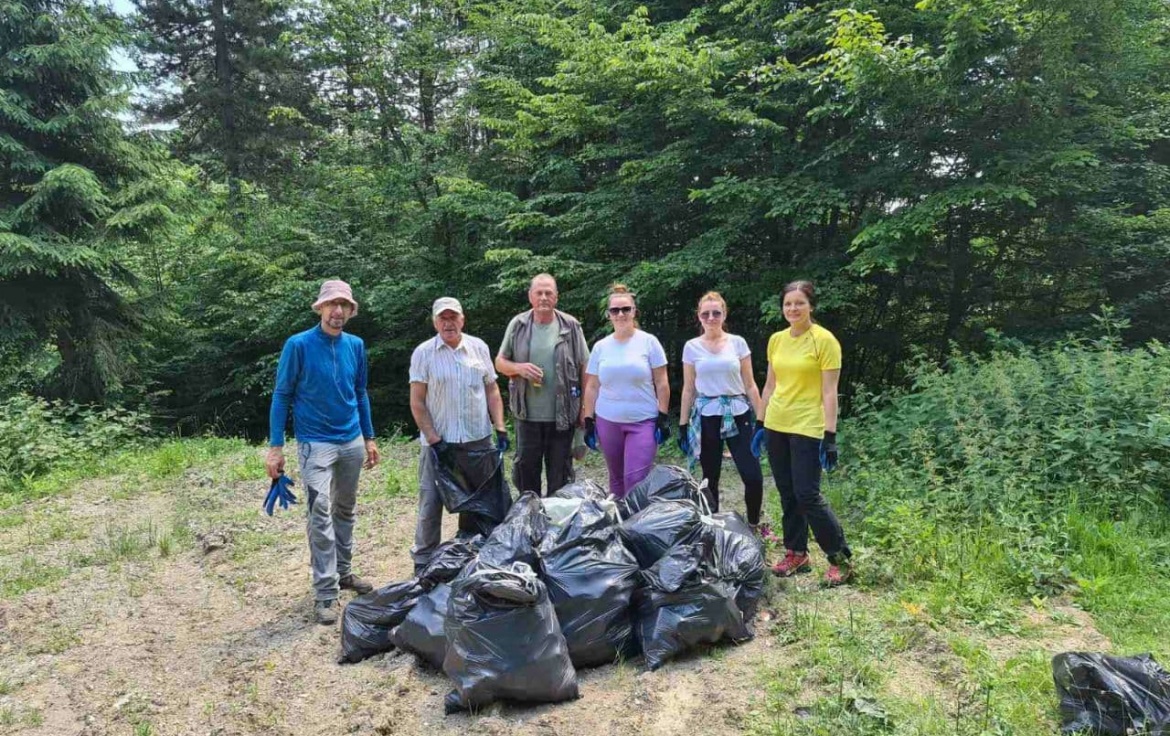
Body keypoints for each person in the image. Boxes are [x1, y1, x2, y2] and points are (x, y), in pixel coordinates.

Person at [266, 280, 381, 625]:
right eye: (331, 304)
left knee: (345, 509)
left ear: (350, 311)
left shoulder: (356, 346)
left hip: (351, 441)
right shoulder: (298, 345)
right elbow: (281, 394)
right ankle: (325, 592)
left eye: (343, 305)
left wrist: (370, 438)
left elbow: (360, 392)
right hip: (314, 443)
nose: (337, 311)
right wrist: (276, 447)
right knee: (319, 514)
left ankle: (344, 573)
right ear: (319, 308)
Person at [755, 280, 852, 586]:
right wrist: (760, 423)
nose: (793, 309)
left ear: (811, 305)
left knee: (807, 493)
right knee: (786, 492)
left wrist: (830, 435)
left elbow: (829, 392)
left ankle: (840, 558)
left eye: (799, 303)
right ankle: (796, 553)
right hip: (776, 424)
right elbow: (770, 385)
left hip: (808, 426)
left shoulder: (824, 341)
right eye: (788, 303)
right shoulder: (776, 340)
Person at [409, 297, 508, 573]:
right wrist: (433, 438)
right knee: (431, 503)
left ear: (462, 320)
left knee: (481, 502)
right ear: (435, 322)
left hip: (478, 441)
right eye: (443, 318)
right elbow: (417, 401)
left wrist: (499, 427)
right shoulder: (423, 353)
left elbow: (491, 390)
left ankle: (478, 554)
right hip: (439, 444)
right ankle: (423, 562)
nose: (448, 323)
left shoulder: (478, 347)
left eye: (453, 317)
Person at [495, 274, 590, 496]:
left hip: (563, 416)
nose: (544, 297)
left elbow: (586, 367)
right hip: (527, 416)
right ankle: (529, 522)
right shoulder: (518, 324)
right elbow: (499, 363)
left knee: (560, 477)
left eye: (549, 293)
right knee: (526, 474)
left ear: (556, 297)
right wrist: (519, 368)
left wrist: (585, 409)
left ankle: (556, 527)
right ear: (531, 296)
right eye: (539, 293)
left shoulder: (571, 325)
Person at [678, 291, 765, 527]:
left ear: (724, 314)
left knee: (753, 476)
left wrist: (762, 421)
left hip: (738, 413)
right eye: (706, 313)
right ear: (699, 316)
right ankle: (712, 526)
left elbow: (750, 384)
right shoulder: (692, 347)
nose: (711, 317)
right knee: (709, 477)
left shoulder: (738, 343)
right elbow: (688, 388)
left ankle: (754, 524)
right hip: (707, 415)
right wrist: (683, 424)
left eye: (716, 313)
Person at [581, 284, 670, 499]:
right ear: (608, 315)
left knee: (636, 481)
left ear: (634, 311)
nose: (620, 314)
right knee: (616, 478)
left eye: (625, 309)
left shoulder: (649, 342)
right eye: (615, 310)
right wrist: (588, 420)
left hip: (643, 420)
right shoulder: (601, 347)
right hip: (608, 421)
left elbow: (662, 382)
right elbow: (592, 385)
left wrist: (663, 416)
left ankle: (636, 527)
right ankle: (620, 526)